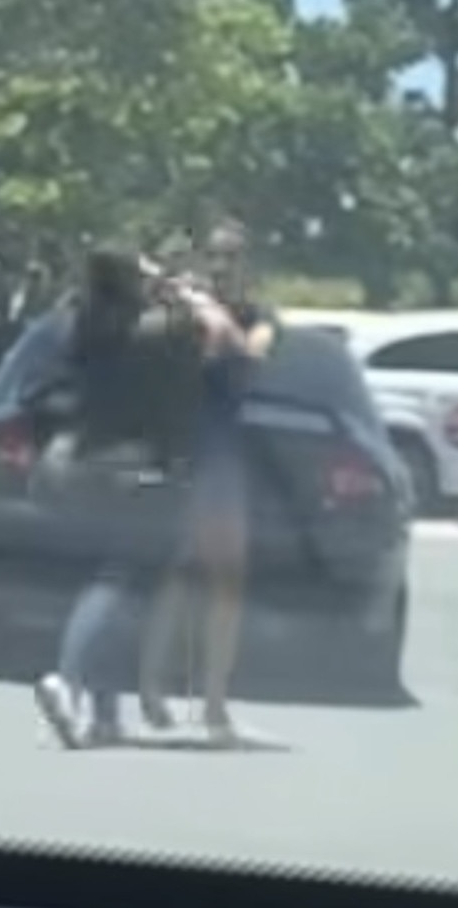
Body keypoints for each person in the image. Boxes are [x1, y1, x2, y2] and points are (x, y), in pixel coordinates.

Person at [33, 244, 209, 747]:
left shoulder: (81, 326)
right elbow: (202, 333)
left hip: (75, 463)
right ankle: (68, 684)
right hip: (132, 468)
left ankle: (105, 715)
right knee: (120, 581)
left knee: (102, 576)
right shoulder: (156, 332)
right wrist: (179, 290)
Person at [138, 219, 278, 745]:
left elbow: (251, 358)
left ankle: (214, 702)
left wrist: (214, 316)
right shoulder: (182, 309)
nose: (222, 266)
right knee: (173, 574)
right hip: (176, 452)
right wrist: (177, 299)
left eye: (233, 256)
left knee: (224, 582)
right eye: (215, 255)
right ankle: (152, 687)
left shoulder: (257, 317)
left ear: (250, 265)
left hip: (220, 454)